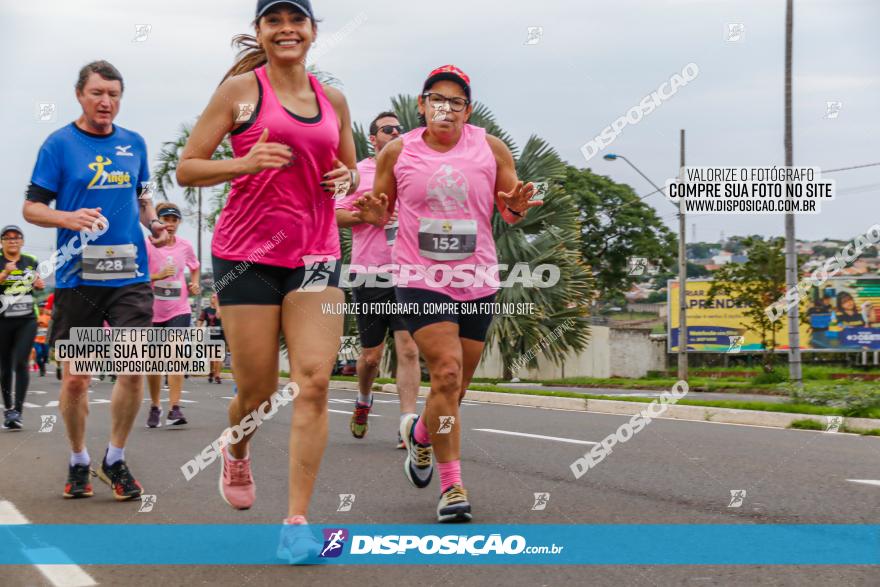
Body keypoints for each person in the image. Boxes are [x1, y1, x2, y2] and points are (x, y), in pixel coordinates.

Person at [176, 0, 357, 548]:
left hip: (316, 256)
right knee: (258, 390)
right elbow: (188, 166)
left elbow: (347, 175)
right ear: (259, 31)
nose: (286, 29)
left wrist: (346, 184)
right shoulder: (239, 93)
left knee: (316, 383)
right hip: (247, 255)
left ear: (312, 31)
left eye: (295, 20)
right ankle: (237, 447)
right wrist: (244, 162)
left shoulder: (335, 100)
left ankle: (296, 522)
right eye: (274, 21)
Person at [354, 65, 542, 522]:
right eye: (437, 98)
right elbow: (380, 212)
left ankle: (421, 433)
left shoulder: (489, 147)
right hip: (420, 279)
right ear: (421, 106)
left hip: (477, 280)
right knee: (448, 373)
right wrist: (373, 211)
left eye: (456, 101)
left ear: (467, 110)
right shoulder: (397, 152)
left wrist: (515, 209)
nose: (446, 108)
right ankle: (452, 485)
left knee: (452, 392)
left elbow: (509, 209)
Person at [23, 60, 169, 499]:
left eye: (114, 94)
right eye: (98, 93)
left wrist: (154, 224)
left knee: (132, 366)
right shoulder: (59, 144)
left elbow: (143, 196)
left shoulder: (134, 144)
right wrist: (67, 216)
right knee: (76, 380)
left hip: (130, 273)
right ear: (80, 95)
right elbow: (32, 208)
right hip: (77, 276)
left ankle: (116, 457)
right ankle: (79, 460)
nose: (106, 102)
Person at [336, 111, 421, 448]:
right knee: (371, 357)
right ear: (373, 139)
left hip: (408, 272)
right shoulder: (358, 173)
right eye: (388, 129)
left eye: (400, 129)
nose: (396, 133)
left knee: (410, 350)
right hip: (370, 272)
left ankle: (407, 424)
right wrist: (365, 216)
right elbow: (334, 214)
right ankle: (363, 399)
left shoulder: (414, 170)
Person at [145, 202, 200, 428]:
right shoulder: (147, 246)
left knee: (176, 354)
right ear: (157, 222)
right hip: (153, 311)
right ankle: (156, 405)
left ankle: (175, 408)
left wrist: (195, 283)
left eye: (174, 220)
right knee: (155, 363)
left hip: (179, 308)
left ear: (178, 223)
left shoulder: (185, 246)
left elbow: (194, 267)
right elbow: (137, 276)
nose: (169, 224)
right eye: (165, 219)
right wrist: (157, 276)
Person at [0, 225, 44, 429]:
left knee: (20, 361)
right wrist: (4, 274)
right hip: (3, 320)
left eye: (16, 237)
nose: (12, 241)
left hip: (27, 319)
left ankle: (18, 410)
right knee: (5, 366)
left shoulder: (30, 261)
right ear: (2, 242)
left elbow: (37, 282)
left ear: (22, 241)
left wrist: (38, 282)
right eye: (8, 238)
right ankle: (8, 409)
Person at [198, 293, 225, 383]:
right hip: (209, 335)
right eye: (213, 297)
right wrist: (199, 329)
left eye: (216, 298)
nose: (214, 299)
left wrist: (217, 306)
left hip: (220, 335)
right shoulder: (206, 310)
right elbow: (200, 320)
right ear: (210, 299)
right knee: (212, 358)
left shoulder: (221, 309)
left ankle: (217, 376)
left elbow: (218, 316)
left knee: (219, 357)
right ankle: (211, 371)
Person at [33, 302, 51, 377]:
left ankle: (43, 364)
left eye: (43, 307)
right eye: (40, 307)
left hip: (46, 340)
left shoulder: (48, 317)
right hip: (37, 340)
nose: (42, 308)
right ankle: (42, 368)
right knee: (38, 354)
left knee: (46, 355)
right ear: (38, 308)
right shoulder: (35, 317)